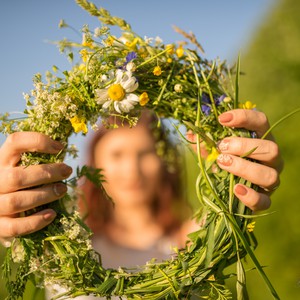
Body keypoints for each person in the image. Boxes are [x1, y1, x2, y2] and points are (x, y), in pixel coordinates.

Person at [0, 108, 283, 299]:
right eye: (118, 154)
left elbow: (232, 201)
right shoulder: (58, 240)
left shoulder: (197, 238)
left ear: (164, 161)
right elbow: (12, 227)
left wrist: (244, 171)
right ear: (94, 164)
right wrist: (9, 213)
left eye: (145, 153)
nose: (132, 170)